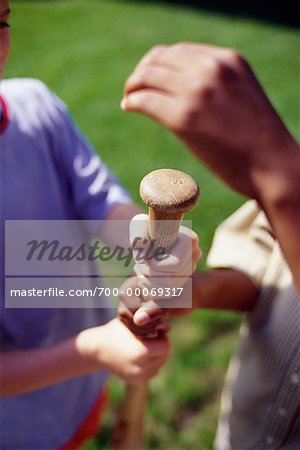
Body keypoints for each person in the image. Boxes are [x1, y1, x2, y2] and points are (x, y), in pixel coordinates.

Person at [0, 5, 200, 448]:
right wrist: (93, 350)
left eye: (0, 21)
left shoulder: (34, 106)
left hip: (85, 381)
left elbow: (100, 202)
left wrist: (151, 245)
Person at [120, 43, 300, 448]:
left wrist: (280, 174)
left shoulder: (291, 177)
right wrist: (189, 292)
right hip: (243, 431)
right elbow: (263, 272)